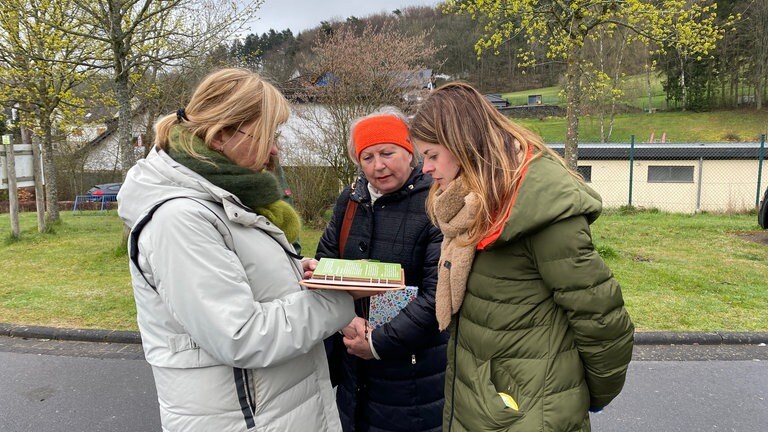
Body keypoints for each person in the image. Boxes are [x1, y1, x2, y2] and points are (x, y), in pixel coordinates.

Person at [117, 68, 367, 431]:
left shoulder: (225, 199)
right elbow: (240, 336)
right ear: (221, 137)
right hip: (245, 420)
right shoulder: (180, 218)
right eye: (268, 136)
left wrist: (300, 274)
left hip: (273, 412)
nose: (275, 150)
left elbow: (245, 280)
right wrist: (337, 296)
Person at [409, 82, 635, 432]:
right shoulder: (469, 206)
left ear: (463, 145)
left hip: (531, 413)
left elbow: (602, 317)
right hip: (485, 404)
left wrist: (581, 395)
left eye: (432, 155)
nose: (425, 169)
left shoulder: (539, 209)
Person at [314, 107, 448, 431]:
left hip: (413, 373)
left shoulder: (437, 201)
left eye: (387, 153)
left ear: (409, 151)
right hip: (353, 368)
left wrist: (376, 343)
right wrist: (347, 322)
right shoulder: (350, 200)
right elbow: (326, 264)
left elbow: (438, 295)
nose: (378, 165)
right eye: (367, 157)